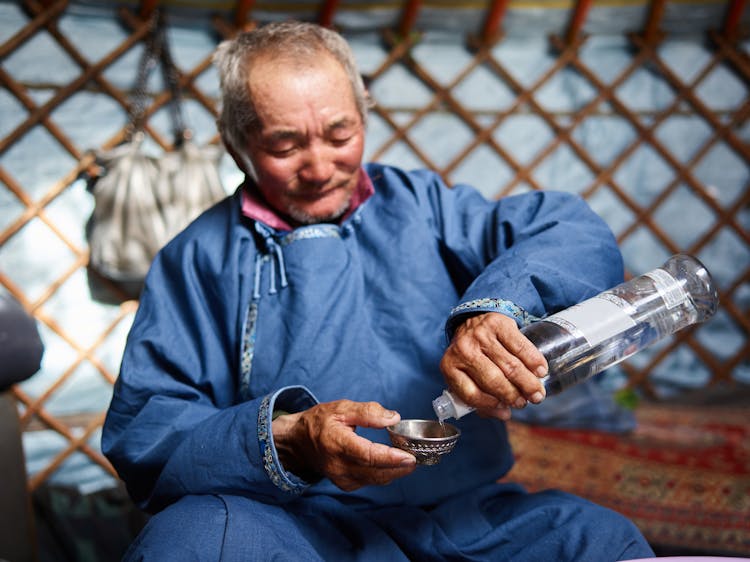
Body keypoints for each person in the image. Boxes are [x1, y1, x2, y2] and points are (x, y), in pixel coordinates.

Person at [101, 21, 654, 561]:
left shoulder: (426, 206)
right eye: (285, 145)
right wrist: (292, 436)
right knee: (191, 544)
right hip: (291, 527)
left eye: (341, 135)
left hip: (466, 517)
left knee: (598, 540)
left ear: (364, 114)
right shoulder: (196, 259)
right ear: (235, 142)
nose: (319, 167)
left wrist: (492, 311)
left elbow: (568, 229)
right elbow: (147, 434)